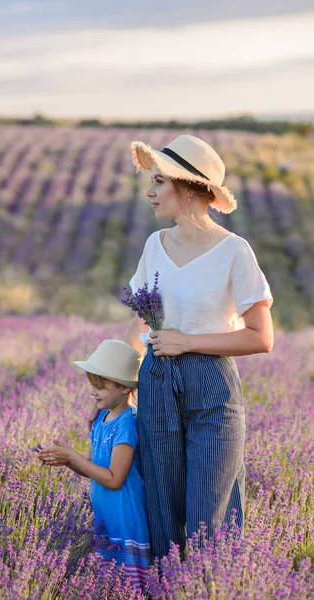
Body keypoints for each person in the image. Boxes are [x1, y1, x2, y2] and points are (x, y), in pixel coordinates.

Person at [91, 134, 274, 560]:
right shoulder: (155, 245)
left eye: (159, 181)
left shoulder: (235, 252)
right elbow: (140, 319)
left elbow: (261, 337)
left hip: (212, 384)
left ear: (188, 186)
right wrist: (113, 383)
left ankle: (215, 586)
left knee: (210, 515)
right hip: (156, 380)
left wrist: (188, 341)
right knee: (162, 508)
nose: (149, 191)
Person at [38, 339, 150, 591]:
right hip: (105, 512)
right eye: (92, 385)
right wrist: (66, 461)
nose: (93, 392)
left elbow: (114, 478)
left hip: (125, 514)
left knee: (130, 586)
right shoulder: (101, 417)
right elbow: (94, 469)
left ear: (123, 387)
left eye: (101, 386)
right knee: (109, 581)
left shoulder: (126, 424)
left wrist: (74, 457)